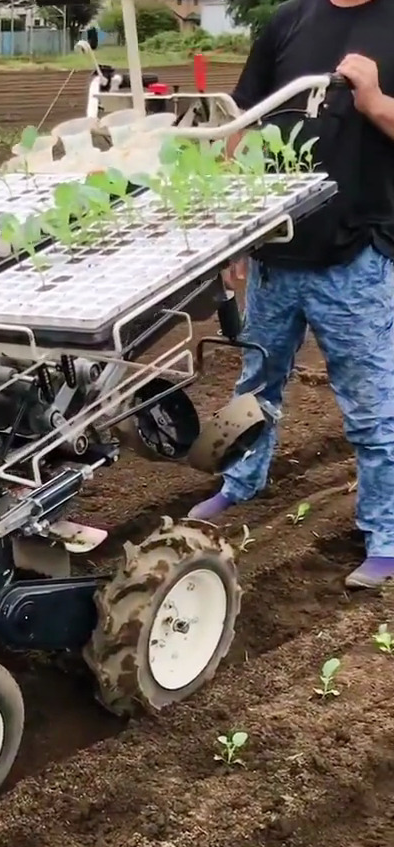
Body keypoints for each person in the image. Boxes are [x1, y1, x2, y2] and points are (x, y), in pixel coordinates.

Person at [188, 0, 394, 589]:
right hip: (275, 253)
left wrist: (375, 101)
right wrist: (233, 232)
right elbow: (242, 126)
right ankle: (241, 483)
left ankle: (386, 533)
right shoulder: (286, 21)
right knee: (256, 381)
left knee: (371, 406)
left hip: (356, 254)